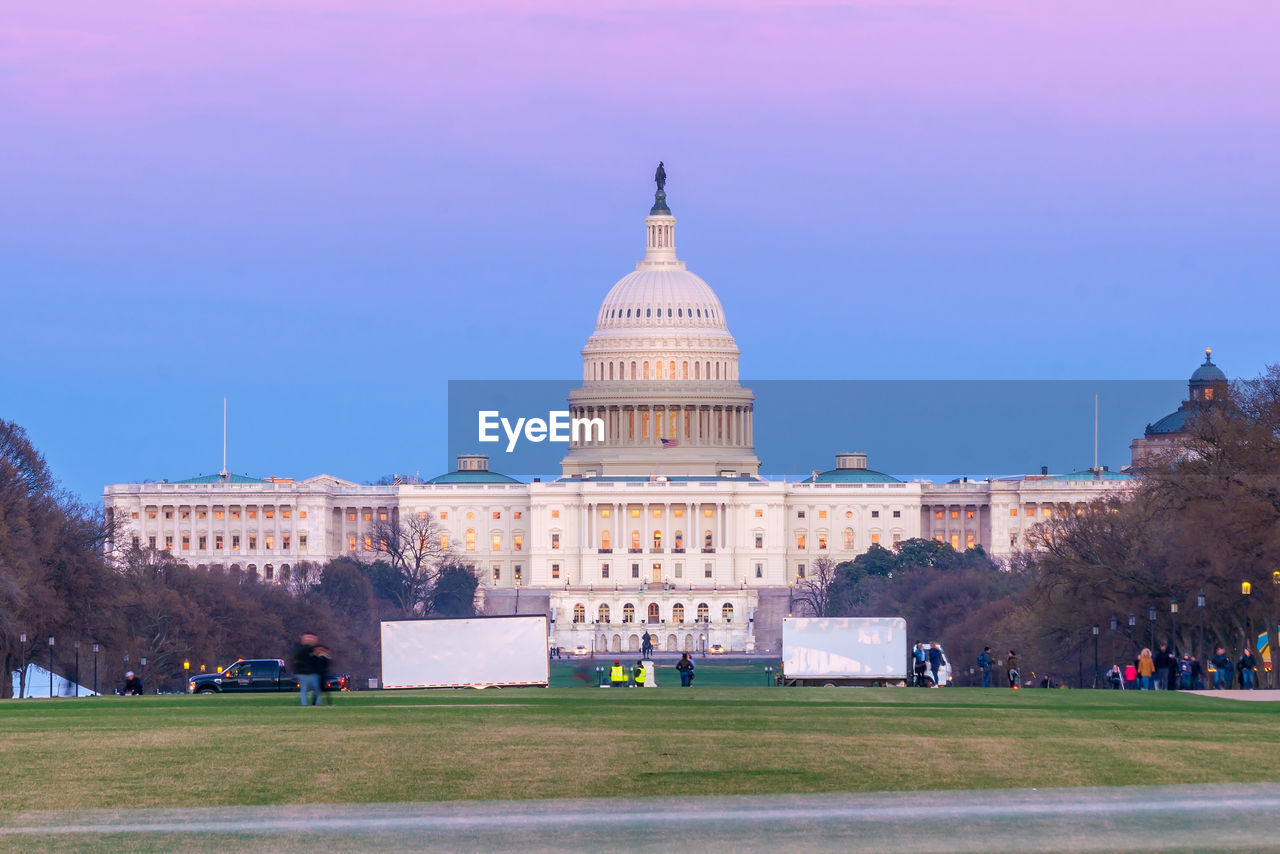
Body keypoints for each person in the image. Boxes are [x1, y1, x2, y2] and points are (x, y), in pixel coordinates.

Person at [293, 632, 321, 707]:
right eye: (307, 638)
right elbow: (296, 660)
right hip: (303, 673)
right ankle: (304, 704)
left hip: (312, 673)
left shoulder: (313, 649)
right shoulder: (300, 649)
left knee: (316, 688)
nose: (309, 639)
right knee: (304, 690)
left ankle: (315, 703)